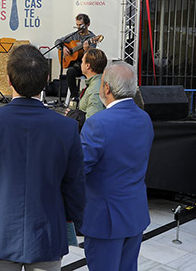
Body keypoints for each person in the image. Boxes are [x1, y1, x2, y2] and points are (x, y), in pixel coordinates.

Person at [0, 44, 86, 268]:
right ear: (47, 78)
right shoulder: (67, 128)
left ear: (9, 80)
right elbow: (75, 185)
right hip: (47, 235)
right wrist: (74, 224)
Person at [80, 62, 154, 271]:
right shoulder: (144, 118)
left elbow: (78, 169)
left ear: (106, 88)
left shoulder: (98, 123)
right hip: (135, 213)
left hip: (105, 219)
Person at [58, 13, 99, 104]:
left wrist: (87, 50)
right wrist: (63, 48)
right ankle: (74, 97)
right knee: (70, 72)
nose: (78, 27)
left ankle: (87, 99)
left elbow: (91, 56)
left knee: (74, 72)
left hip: (87, 65)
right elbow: (58, 41)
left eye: (81, 25)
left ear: (87, 24)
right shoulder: (74, 35)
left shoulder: (92, 38)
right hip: (76, 65)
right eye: (77, 25)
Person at [77, 48, 107, 123]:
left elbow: (93, 123)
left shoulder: (94, 91)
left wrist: (75, 116)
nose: (81, 64)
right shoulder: (97, 83)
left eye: (82, 62)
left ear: (87, 66)